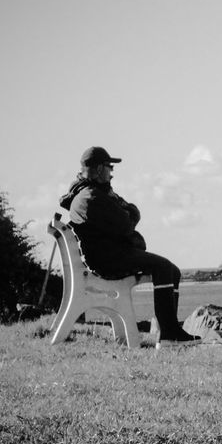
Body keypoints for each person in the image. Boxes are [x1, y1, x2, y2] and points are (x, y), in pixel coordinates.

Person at [59, 146, 199, 345]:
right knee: (164, 267)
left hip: (106, 256)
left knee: (172, 270)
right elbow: (127, 223)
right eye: (109, 167)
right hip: (109, 260)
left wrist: (125, 210)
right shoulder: (92, 198)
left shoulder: (88, 195)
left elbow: (128, 216)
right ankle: (169, 335)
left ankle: (172, 330)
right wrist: (125, 210)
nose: (112, 173)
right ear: (99, 169)